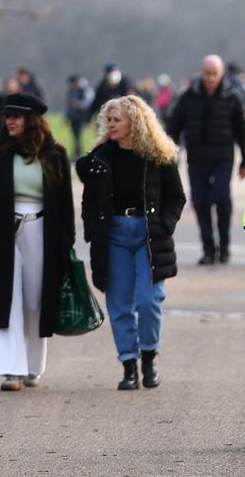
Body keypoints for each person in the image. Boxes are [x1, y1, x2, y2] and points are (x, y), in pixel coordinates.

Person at [77, 96, 186, 390]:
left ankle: (149, 356)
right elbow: (89, 202)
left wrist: (165, 224)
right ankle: (128, 364)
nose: (111, 125)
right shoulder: (100, 159)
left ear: (134, 123)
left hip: (149, 234)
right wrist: (92, 231)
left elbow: (176, 197)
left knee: (149, 301)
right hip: (114, 236)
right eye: (108, 120)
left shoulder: (158, 156)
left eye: (117, 120)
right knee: (119, 304)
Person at [0, 93, 75, 390]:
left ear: (32, 119)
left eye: (17, 116)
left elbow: (65, 204)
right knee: (7, 298)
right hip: (3, 230)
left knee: (34, 299)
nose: (10, 121)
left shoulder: (54, 154)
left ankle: (31, 366)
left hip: (42, 229)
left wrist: (66, 242)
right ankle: (10, 370)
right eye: (8, 116)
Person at [165, 55, 245, 265]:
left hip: (223, 156)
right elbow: (174, 126)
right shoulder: (188, 97)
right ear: (202, 73)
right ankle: (208, 248)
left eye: (215, 74)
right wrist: (167, 154)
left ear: (221, 74)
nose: (211, 78)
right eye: (207, 74)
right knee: (201, 201)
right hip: (196, 157)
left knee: (221, 198)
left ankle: (224, 245)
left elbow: (242, 130)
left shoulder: (232, 96)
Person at [64, 74, 95, 159]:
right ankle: (77, 152)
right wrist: (66, 116)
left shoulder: (85, 90)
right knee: (75, 136)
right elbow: (68, 105)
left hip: (81, 117)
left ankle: (79, 153)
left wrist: (77, 103)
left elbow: (88, 103)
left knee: (78, 135)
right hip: (73, 117)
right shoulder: (70, 91)